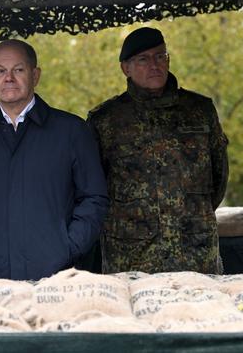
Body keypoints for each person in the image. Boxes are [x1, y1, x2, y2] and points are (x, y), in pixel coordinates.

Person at [0, 39, 109, 281]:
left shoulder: (72, 131)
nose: (8, 77)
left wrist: (69, 248)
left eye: (18, 70)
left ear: (35, 75)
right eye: (1, 70)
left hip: (57, 277)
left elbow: (94, 198)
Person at [87, 27, 228, 275]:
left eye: (160, 56)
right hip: (132, 255)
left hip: (195, 251)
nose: (155, 65)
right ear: (125, 68)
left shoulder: (199, 109)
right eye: (143, 59)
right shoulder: (106, 120)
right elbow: (93, 188)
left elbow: (219, 177)